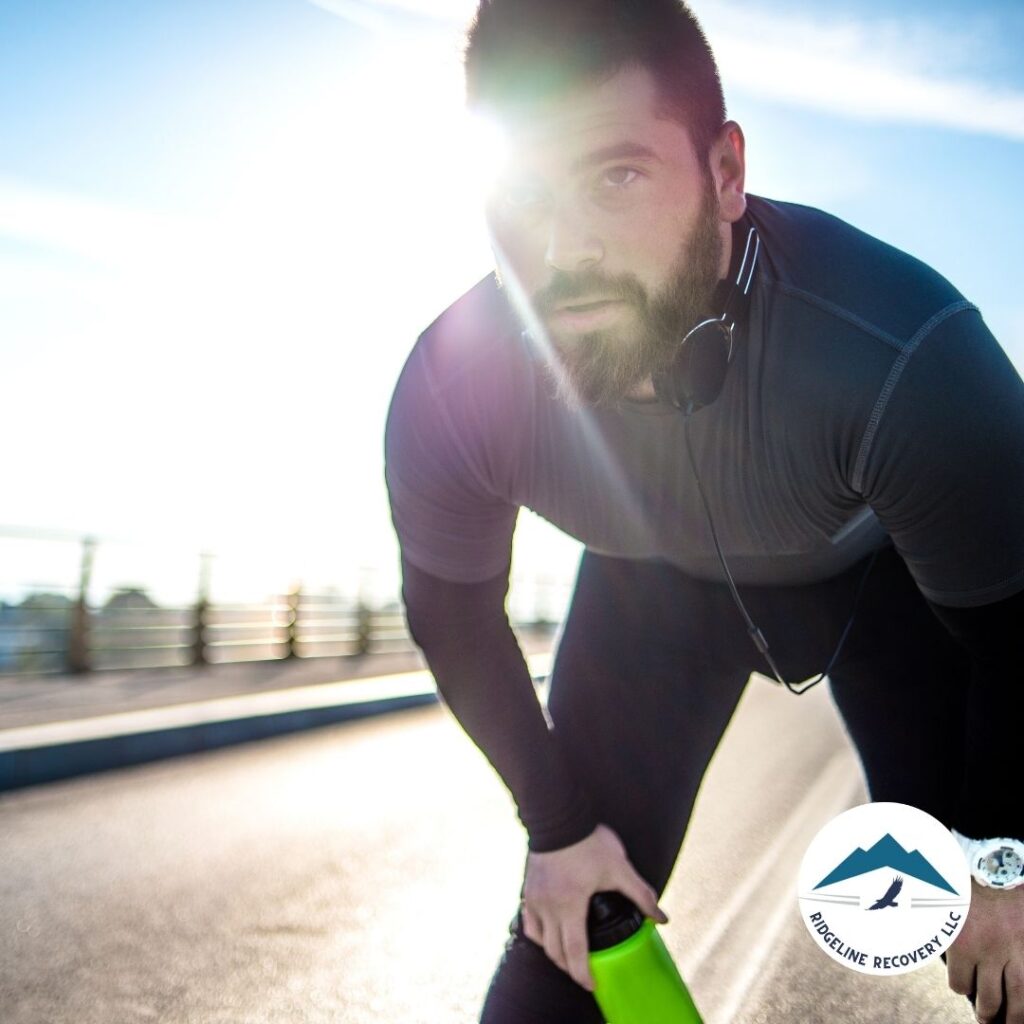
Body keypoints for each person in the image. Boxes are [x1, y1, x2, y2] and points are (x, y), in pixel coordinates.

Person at [384, 2, 1024, 1021]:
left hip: (891, 593)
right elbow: (450, 614)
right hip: (655, 601)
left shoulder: (906, 354)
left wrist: (1003, 858)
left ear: (725, 174)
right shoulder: (450, 387)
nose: (562, 250)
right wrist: (555, 831)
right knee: (572, 934)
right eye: (523, 192)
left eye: (616, 176)